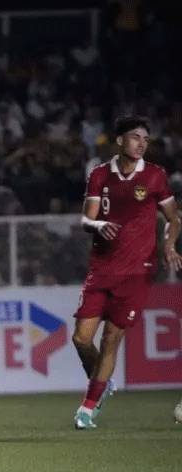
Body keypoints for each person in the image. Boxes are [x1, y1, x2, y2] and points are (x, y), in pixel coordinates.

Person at [72, 116, 181, 429]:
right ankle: (102, 383)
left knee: (111, 339)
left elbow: (174, 218)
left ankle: (87, 409)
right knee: (81, 338)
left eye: (145, 139)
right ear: (119, 140)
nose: (142, 143)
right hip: (102, 268)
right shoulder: (100, 175)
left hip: (137, 271)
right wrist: (99, 225)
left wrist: (169, 244)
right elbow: (86, 220)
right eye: (135, 137)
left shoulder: (156, 176)